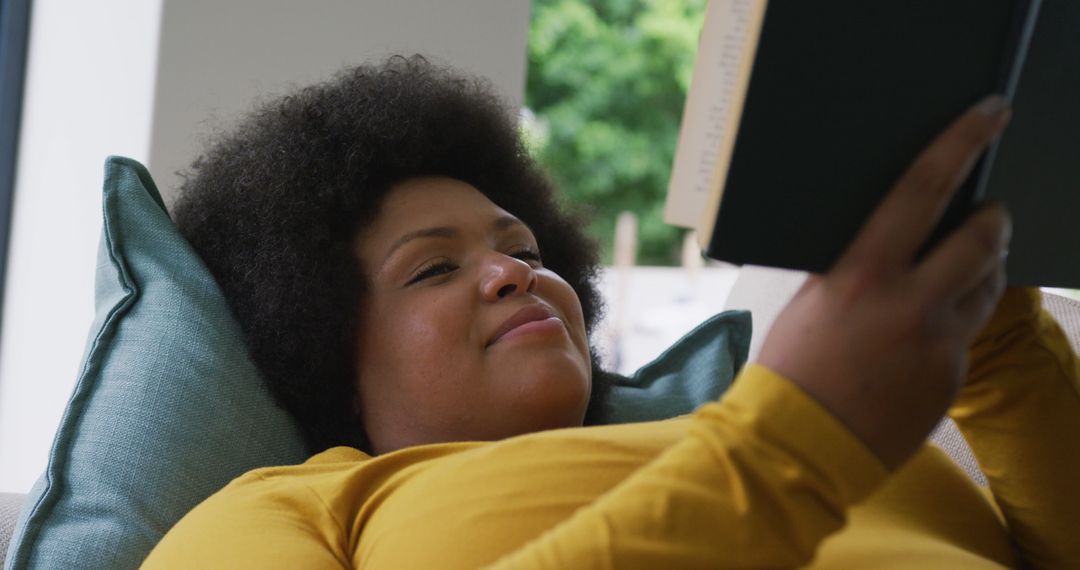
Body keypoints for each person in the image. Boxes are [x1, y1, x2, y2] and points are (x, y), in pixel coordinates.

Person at [142, 56, 1079, 568]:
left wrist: (997, 333)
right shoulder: (298, 504)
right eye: (433, 271)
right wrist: (792, 449)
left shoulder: (871, 428)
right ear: (326, 351)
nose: (511, 274)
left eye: (525, 250)